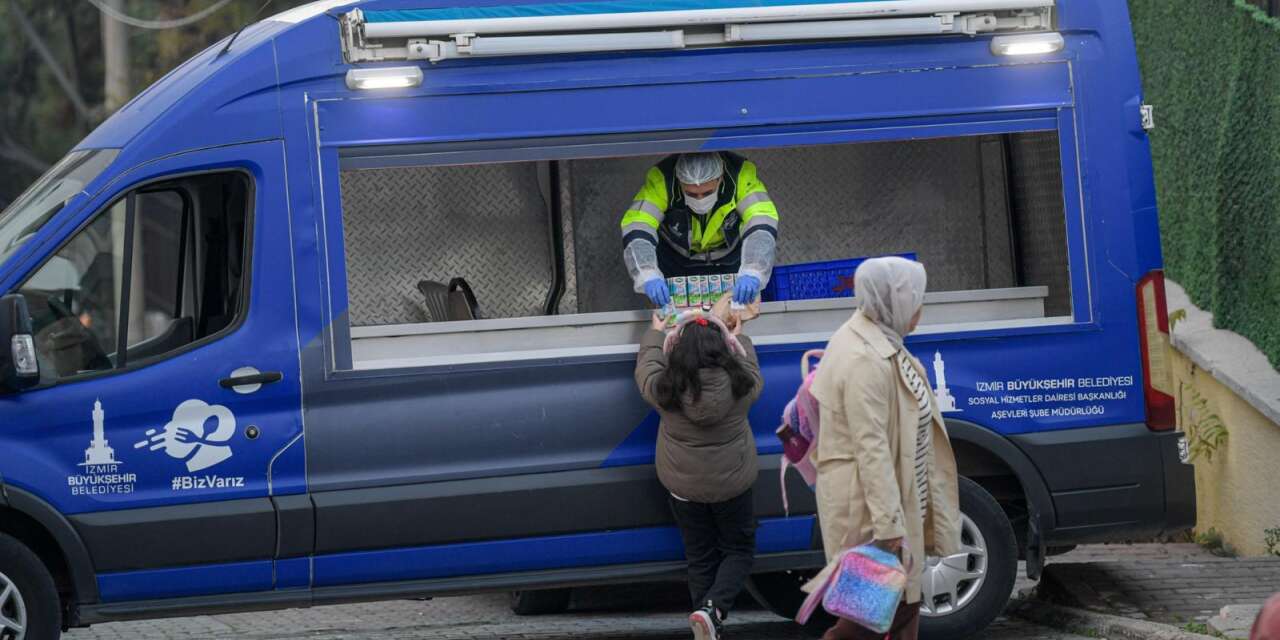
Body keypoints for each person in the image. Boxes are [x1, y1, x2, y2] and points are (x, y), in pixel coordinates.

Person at [803, 256, 963, 640]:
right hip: (872, 511)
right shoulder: (864, 358)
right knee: (867, 619)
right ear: (892, 301)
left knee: (902, 608)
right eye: (915, 298)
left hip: (896, 501)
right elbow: (870, 446)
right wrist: (889, 527)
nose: (920, 308)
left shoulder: (882, 340)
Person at [635, 309, 764, 640]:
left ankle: (705, 623)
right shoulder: (744, 385)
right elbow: (749, 363)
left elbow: (647, 370)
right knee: (738, 551)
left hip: (684, 490)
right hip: (733, 485)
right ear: (725, 350)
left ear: (676, 352)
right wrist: (739, 334)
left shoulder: (665, 391)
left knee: (700, 557)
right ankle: (713, 611)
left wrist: (655, 333)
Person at [621, 152, 780, 307]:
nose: (700, 199)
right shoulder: (662, 180)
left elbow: (761, 221)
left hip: (728, 259)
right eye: (691, 193)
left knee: (731, 315)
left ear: (720, 178)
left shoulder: (740, 176)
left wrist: (753, 270)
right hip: (675, 260)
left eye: (707, 192)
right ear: (679, 180)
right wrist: (647, 273)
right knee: (675, 320)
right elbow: (638, 225)